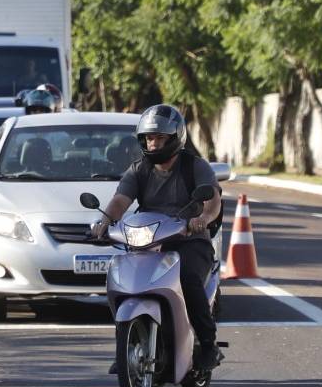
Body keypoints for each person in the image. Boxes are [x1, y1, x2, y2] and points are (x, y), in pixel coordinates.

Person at [87, 104, 223, 372]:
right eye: (150, 138)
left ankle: (208, 344)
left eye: (160, 138)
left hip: (190, 242)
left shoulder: (195, 167)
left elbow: (213, 201)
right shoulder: (139, 170)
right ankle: (126, 343)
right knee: (124, 279)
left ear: (175, 138)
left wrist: (202, 220)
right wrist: (104, 222)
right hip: (150, 243)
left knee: (188, 278)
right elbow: (120, 200)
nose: (154, 143)